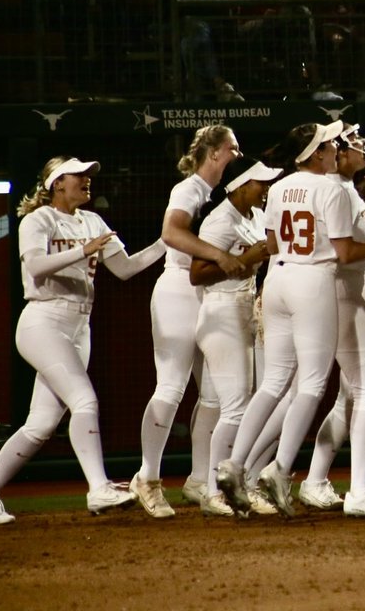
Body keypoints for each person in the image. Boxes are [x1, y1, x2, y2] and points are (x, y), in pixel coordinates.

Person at [220, 121, 365, 518]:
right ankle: (281, 469)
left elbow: (272, 243)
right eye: (328, 144)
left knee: (275, 383)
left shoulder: (278, 188)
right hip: (314, 280)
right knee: (315, 384)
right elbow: (344, 253)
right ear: (314, 153)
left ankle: (234, 464)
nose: (334, 148)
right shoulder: (329, 188)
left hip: (276, 279)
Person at [0, 156, 166, 524]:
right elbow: (36, 266)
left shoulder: (92, 220)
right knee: (84, 400)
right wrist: (84, 250)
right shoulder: (37, 219)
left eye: (89, 175)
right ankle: (98, 487)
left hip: (78, 327)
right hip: (43, 321)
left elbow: (124, 269)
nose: (88, 180)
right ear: (57, 182)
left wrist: (165, 244)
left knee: (40, 425)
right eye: (80, 175)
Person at [131, 125, 244, 519]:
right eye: (232, 148)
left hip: (208, 293)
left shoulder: (217, 195)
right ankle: (147, 477)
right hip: (179, 288)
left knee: (213, 395)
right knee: (172, 386)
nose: (237, 154)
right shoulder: (189, 189)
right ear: (213, 153)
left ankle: (200, 479)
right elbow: (171, 232)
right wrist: (219, 254)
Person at [188, 156, 283, 517]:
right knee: (236, 406)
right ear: (241, 185)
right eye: (261, 183)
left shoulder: (255, 216)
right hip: (221, 312)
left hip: (246, 310)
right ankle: (214, 491)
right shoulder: (220, 219)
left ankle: (245, 482)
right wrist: (244, 258)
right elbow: (197, 274)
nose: (266, 189)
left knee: (256, 402)